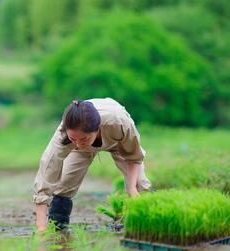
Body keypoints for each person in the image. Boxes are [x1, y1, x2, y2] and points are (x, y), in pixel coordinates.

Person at [33, 98, 152, 232]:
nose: (78, 143)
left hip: (117, 143)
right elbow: (47, 173)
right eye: (73, 139)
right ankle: (59, 229)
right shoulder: (65, 134)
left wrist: (131, 189)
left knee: (140, 184)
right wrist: (41, 228)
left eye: (84, 139)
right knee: (64, 185)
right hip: (82, 150)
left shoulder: (119, 122)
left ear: (98, 129)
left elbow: (134, 156)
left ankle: (142, 227)